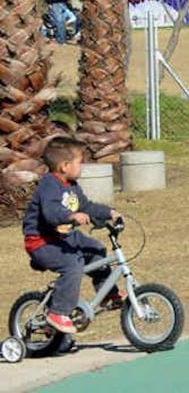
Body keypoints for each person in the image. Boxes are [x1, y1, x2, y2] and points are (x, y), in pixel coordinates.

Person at [22, 137, 124, 335]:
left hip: (63, 237)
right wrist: (70, 216)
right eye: (79, 161)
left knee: (96, 249)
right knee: (72, 263)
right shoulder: (49, 185)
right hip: (41, 241)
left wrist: (110, 213)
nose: (83, 165)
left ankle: (107, 294)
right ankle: (58, 312)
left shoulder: (72, 185)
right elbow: (50, 212)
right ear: (64, 166)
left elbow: (87, 207)